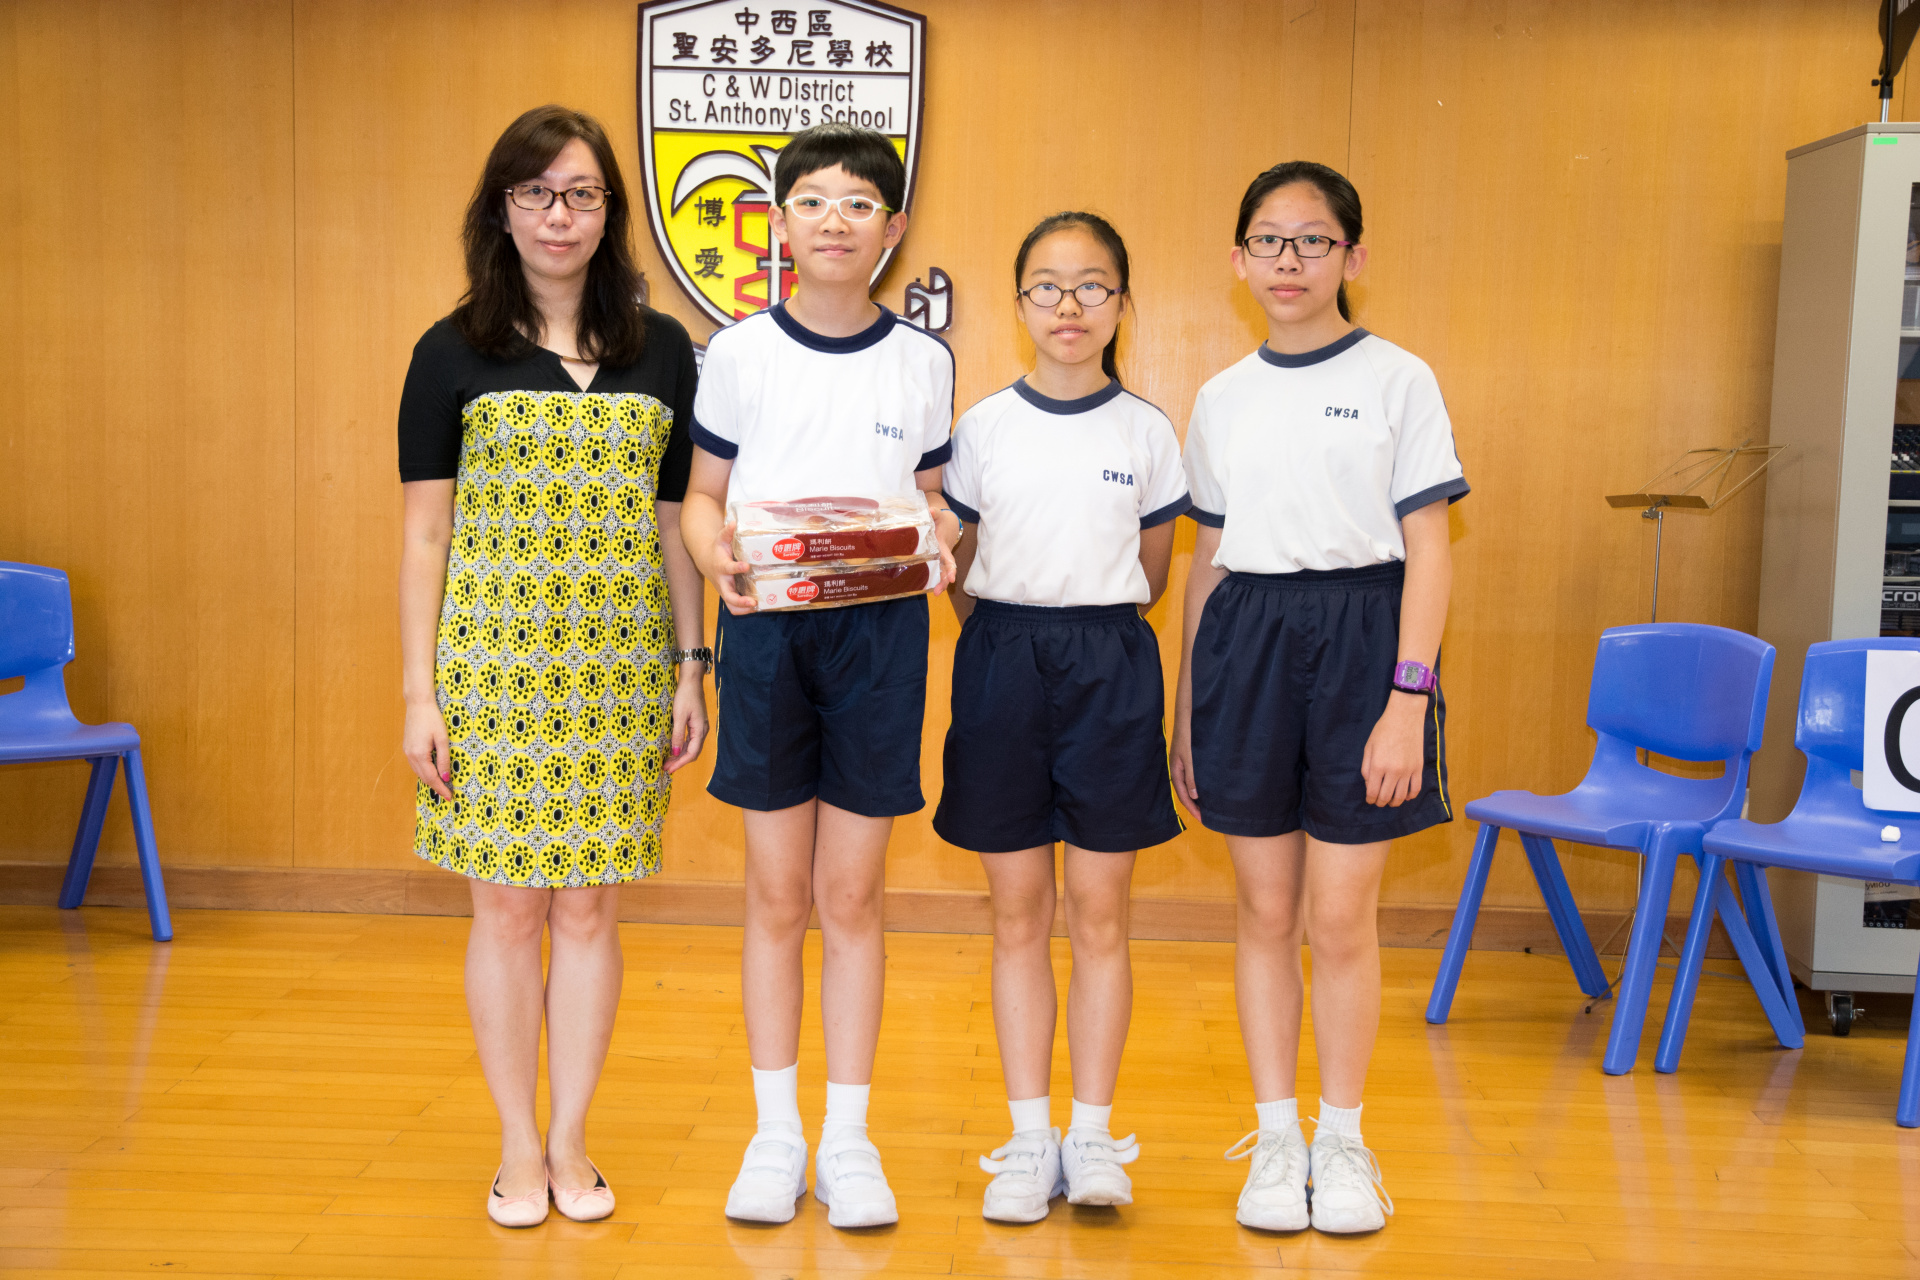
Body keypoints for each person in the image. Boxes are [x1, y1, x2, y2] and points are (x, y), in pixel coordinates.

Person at [396, 104, 711, 1229]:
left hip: (620, 673)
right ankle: (516, 1147)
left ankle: (572, 1140)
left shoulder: (662, 350)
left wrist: (692, 667)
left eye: (581, 193)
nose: (559, 215)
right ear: (501, 210)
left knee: (588, 912)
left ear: (610, 211)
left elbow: (676, 525)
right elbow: (426, 534)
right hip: (495, 671)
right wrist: (420, 693)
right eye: (535, 193)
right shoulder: (449, 350)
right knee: (508, 914)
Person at [1171, 161, 1468, 1235]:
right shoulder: (1220, 396)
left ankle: (1342, 1138)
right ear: (1239, 258)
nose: (1288, 259)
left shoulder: (1399, 379)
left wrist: (1407, 699)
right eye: (1268, 239)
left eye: (1312, 239)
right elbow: (1206, 562)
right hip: (1246, 642)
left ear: (1353, 255)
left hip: (1364, 642)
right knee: (1263, 910)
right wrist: (1187, 711)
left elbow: (1430, 549)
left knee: (1340, 914)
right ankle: (1276, 1137)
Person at [679, 123, 961, 1230]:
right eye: (813, 201)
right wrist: (717, 557)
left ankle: (847, 1138)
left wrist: (943, 536)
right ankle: (774, 1133)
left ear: (893, 228)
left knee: (851, 895)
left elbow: (931, 502)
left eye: (858, 204)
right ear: (781, 221)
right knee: (775, 894)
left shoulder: (923, 360)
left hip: (881, 639)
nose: (834, 220)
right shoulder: (739, 352)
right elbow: (704, 499)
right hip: (767, 633)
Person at [933, 212, 1187, 1223]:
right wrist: (1010, 636)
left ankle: (1092, 1134)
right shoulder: (984, 428)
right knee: (1018, 913)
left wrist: (1080, 631)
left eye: (1092, 286)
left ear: (1122, 303)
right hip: (1001, 657)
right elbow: (958, 572)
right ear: (1019, 302)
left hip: (1110, 665)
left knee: (1100, 911)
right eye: (1047, 285)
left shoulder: (1148, 431)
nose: (1069, 305)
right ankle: (1030, 1135)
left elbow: (1153, 574)